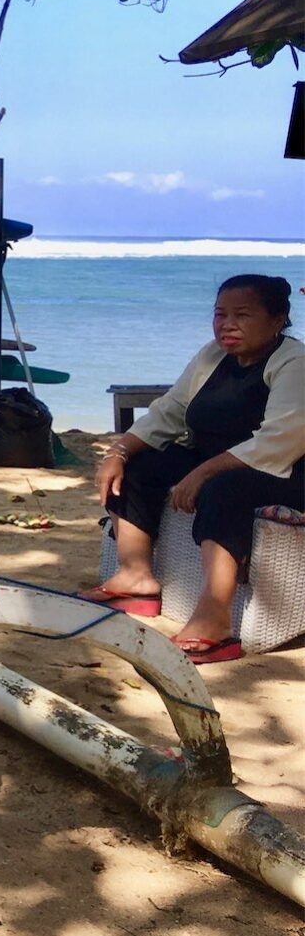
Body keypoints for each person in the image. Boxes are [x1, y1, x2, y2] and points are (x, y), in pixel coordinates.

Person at [87, 274, 304, 663]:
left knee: (224, 487)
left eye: (242, 315)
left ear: (277, 321)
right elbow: (170, 411)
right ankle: (136, 577)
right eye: (219, 314)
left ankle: (215, 618)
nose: (227, 324)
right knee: (140, 465)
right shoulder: (211, 356)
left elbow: (280, 440)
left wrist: (202, 473)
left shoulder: (294, 362)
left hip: (287, 472)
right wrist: (118, 453)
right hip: (220, 463)